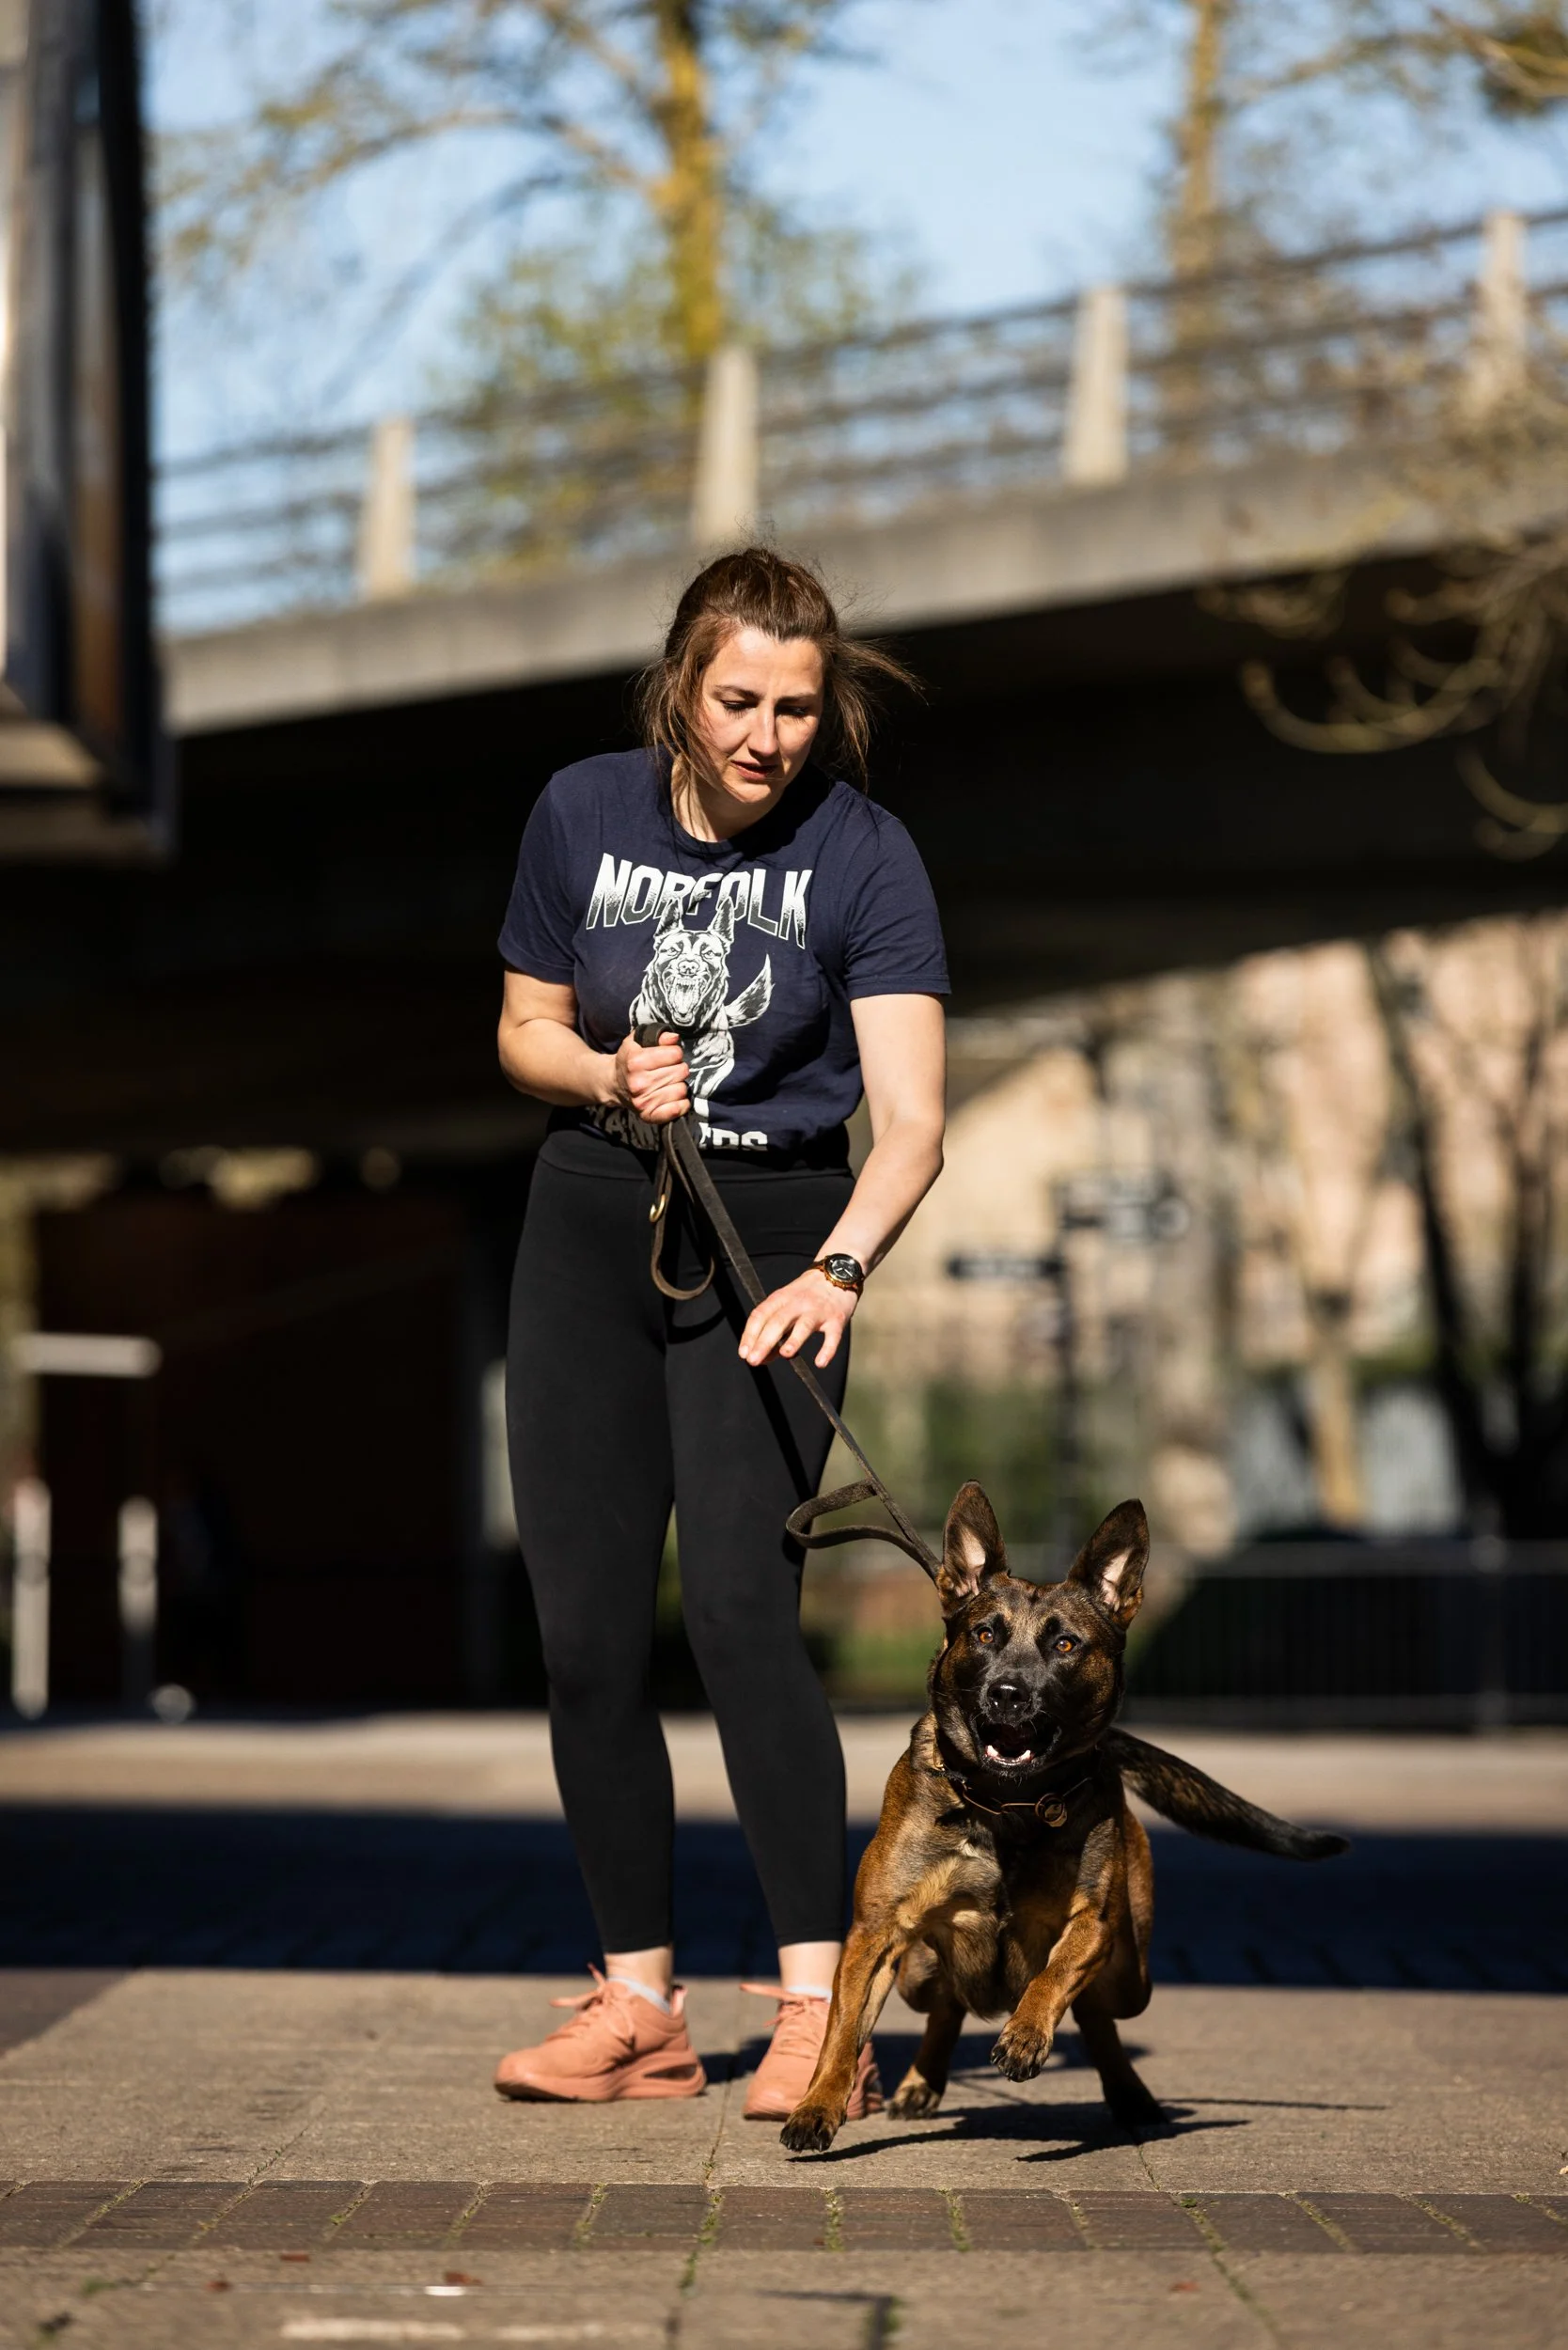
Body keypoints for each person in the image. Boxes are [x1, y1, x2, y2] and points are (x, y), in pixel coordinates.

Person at [493, 546, 948, 2114]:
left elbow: (911, 1121)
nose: (767, 735)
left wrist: (843, 1267)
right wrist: (610, 1073)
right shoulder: (580, 813)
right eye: (739, 699)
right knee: (586, 1636)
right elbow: (522, 1030)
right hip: (585, 1230)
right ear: (681, 690)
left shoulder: (868, 857)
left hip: (773, 1259)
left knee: (749, 1623)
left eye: (799, 709)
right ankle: (640, 2009)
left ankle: (823, 2011)